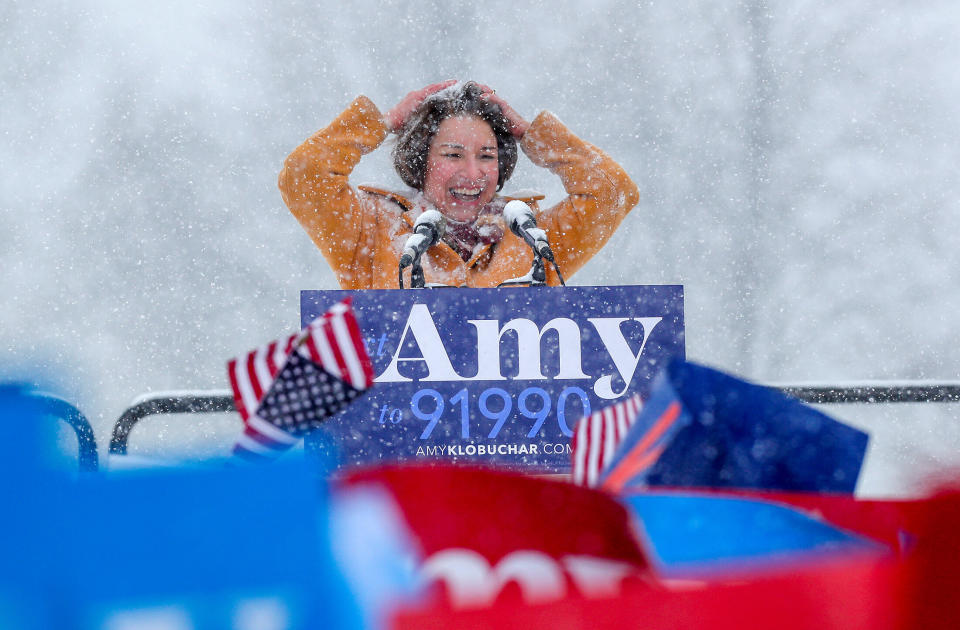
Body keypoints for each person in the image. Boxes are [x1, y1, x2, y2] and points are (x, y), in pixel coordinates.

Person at [279, 80, 639, 289]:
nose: (473, 172)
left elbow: (613, 193)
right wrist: (385, 122)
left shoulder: (532, 232)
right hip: (398, 419)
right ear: (420, 160)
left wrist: (532, 134)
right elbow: (303, 177)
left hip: (516, 418)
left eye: (486, 155)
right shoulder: (370, 230)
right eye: (452, 155)